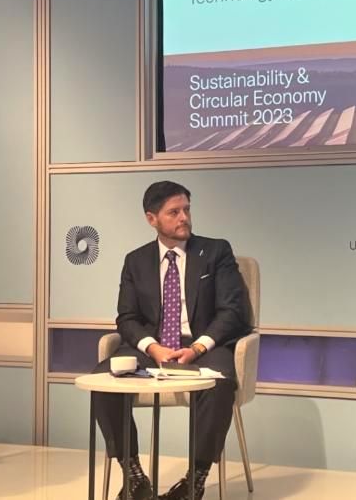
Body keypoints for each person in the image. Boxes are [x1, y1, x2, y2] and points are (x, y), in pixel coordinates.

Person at [93, 181, 252, 500]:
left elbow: (232, 312)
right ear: (152, 219)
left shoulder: (216, 251)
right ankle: (134, 475)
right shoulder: (135, 260)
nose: (184, 218)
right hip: (153, 348)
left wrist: (197, 347)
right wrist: (152, 347)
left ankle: (196, 479)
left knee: (219, 384)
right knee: (102, 380)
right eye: (174, 212)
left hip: (203, 346)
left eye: (187, 210)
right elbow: (126, 318)